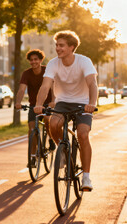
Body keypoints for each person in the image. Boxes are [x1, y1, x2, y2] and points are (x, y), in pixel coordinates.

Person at [34, 30, 98, 191]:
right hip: (63, 102)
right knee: (53, 124)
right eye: (56, 45)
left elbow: (92, 84)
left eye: (61, 45)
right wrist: (39, 104)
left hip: (83, 103)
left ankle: (86, 177)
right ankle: (63, 151)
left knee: (83, 134)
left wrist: (92, 103)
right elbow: (45, 85)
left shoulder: (84, 61)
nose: (58, 48)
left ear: (71, 47)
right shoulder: (53, 63)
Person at [15, 49, 55, 168]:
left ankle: (51, 139)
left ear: (40, 60)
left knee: (47, 120)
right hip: (33, 105)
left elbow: (53, 87)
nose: (33, 62)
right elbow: (22, 89)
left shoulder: (47, 70)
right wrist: (18, 102)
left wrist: (53, 101)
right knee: (32, 131)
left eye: (36, 59)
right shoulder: (26, 73)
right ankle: (32, 157)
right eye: (31, 60)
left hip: (47, 104)